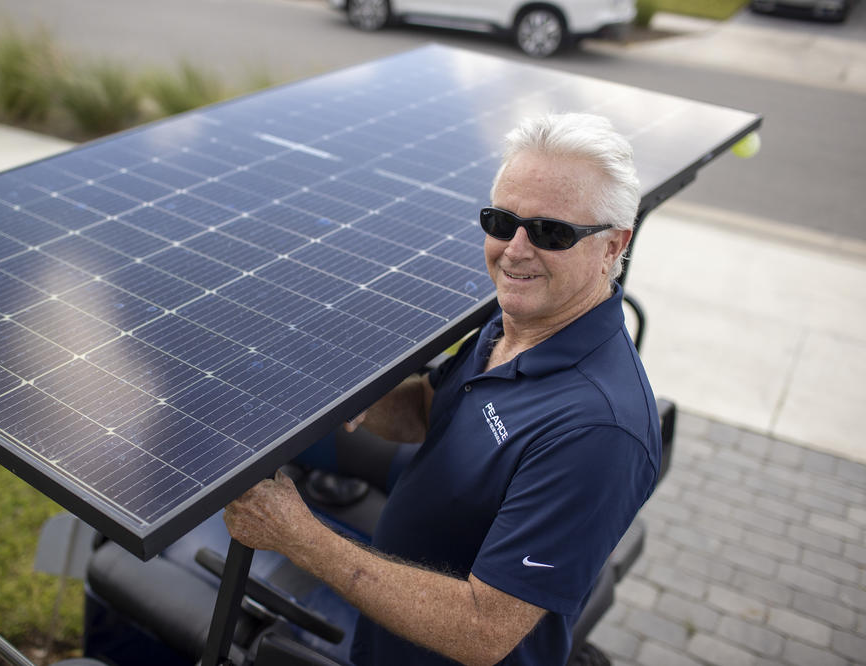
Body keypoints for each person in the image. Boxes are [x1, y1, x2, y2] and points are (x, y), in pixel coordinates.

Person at [224, 113, 663, 666]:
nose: (516, 250)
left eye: (552, 232)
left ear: (611, 246)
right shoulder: (515, 322)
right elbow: (435, 410)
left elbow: (483, 629)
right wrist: (362, 398)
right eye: (502, 221)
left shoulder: (599, 432)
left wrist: (298, 537)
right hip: (387, 628)